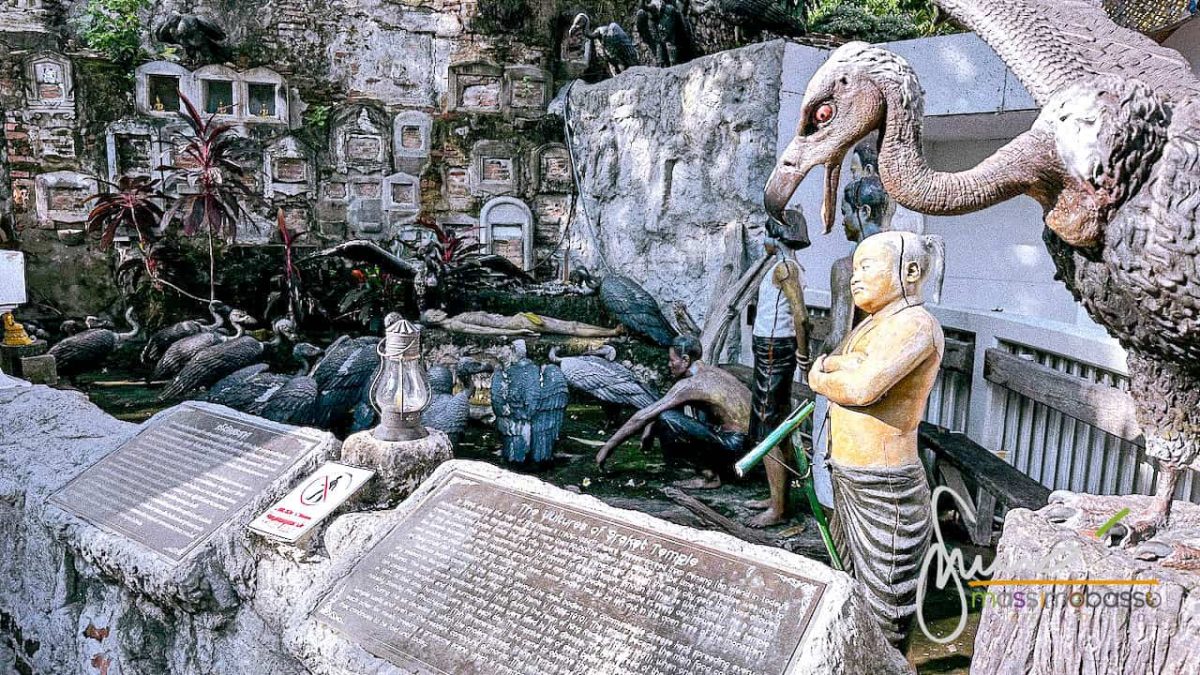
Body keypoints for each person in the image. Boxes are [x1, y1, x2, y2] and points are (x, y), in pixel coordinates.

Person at [808, 230, 944, 649]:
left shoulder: (915, 325)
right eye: (856, 266)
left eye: (867, 266)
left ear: (910, 271)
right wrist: (838, 365)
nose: (854, 275)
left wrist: (819, 375)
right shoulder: (874, 323)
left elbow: (863, 386)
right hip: (850, 473)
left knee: (885, 601)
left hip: (885, 486)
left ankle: (885, 661)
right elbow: (848, 364)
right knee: (849, 579)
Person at [596, 335, 751, 488]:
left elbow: (641, 417)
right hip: (749, 446)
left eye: (672, 360)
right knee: (666, 415)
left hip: (735, 448)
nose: (669, 365)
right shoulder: (711, 372)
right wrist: (651, 426)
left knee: (667, 418)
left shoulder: (691, 384)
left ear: (685, 360)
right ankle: (709, 468)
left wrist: (608, 447)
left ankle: (710, 476)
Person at [744, 232, 810, 528]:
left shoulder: (785, 268)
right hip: (770, 347)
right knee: (775, 422)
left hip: (774, 348)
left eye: (768, 234)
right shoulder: (782, 266)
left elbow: (801, 316)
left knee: (768, 427)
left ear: (779, 237)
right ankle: (777, 498)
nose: (763, 240)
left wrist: (803, 354)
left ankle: (778, 508)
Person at [420, 309, 623, 338]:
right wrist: (517, 333)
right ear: (433, 321)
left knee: (572, 324)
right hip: (516, 324)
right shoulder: (454, 325)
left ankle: (611, 331)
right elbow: (485, 330)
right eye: (433, 313)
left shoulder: (454, 319)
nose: (437, 311)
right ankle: (612, 332)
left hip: (517, 319)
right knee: (570, 328)